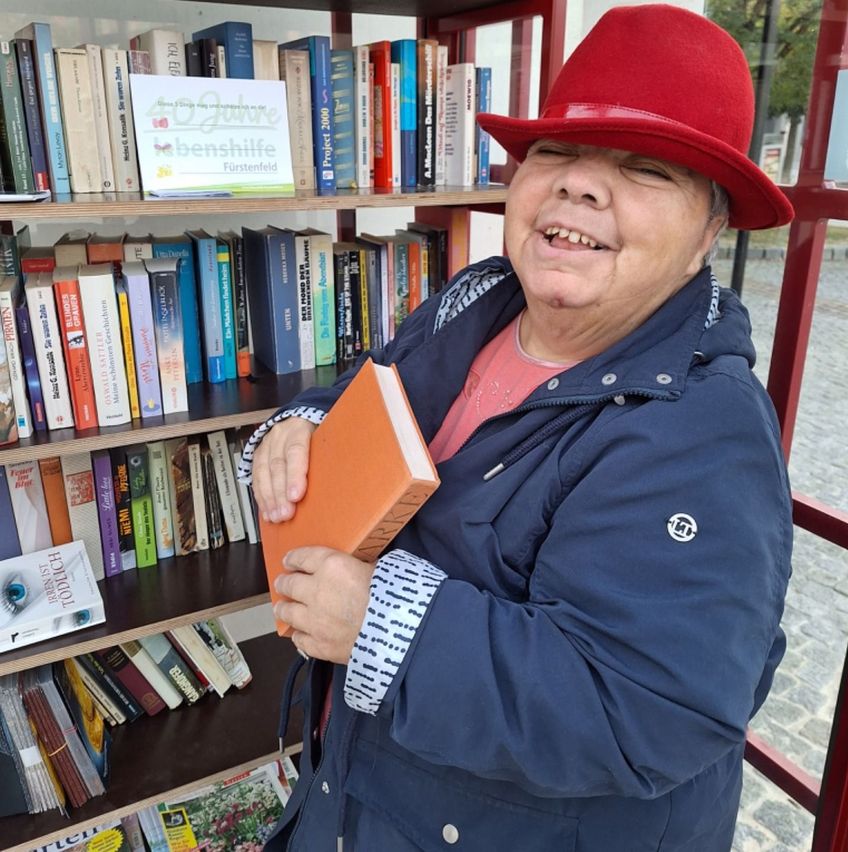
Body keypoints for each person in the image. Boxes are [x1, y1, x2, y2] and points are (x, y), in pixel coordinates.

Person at [239, 5, 794, 850]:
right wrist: (306, 423)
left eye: (647, 169)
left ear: (708, 234)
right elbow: (377, 387)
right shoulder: (481, 296)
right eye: (558, 152)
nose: (579, 183)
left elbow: (646, 710)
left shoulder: (703, 431)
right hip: (360, 793)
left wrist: (386, 627)